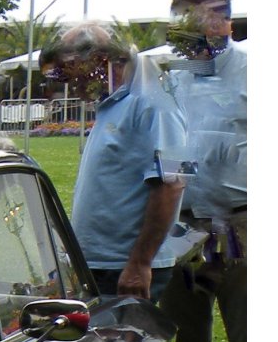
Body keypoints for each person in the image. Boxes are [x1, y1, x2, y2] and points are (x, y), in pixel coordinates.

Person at [154, 0, 246, 342]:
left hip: (243, 224)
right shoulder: (170, 78)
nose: (206, 25)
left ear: (226, 18)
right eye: (189, 19)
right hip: (185, 228)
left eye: (214, 14)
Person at [40, 21, 186, 300]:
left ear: (99, 60)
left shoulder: (155, 101)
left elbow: (174, 182)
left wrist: (140, 263)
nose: (71, 86)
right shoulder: (115, 100)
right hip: (104, 266)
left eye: (72, 74)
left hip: (125, 269)